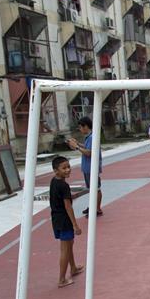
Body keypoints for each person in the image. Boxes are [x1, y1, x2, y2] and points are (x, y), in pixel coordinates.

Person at [49, 156, 83, 288]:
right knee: (65, 248)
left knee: (70, 243)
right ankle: (61, 279)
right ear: (56, 171)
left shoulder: (54, 181)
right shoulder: (64, 186)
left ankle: (73, 267)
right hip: (64, 220)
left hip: (56, 218)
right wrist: (75, 225)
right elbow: (68, 206)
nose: (68, 170)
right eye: (64, 168)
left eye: (68, 167)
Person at [67, 116, 103, 217]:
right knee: (92, 188)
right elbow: (87, 148)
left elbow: (89, 153)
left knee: (96, 188)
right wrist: (78, 143)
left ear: (86, 126)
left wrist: (77, 147)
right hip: (88, 167)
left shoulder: (92, 138)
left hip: (92, 167)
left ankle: (97, 208)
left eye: (80, 127)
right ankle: (93, 207)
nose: (80, 129)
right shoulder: (90, 137)